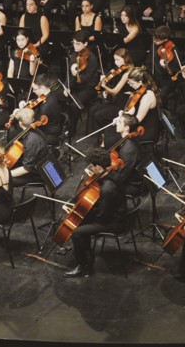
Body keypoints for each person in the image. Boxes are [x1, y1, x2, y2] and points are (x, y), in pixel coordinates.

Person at [64, 115, 139, 277]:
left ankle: (82, 266)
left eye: (92, 166)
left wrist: (86, 211)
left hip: (114, 223)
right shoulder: (111, 175)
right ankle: (86, 252)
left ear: (98, 167)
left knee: (77, 231)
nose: (90, 169)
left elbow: (103, 216)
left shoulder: (107, 187)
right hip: (114, 213)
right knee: (81, 221)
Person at [6, 108, 48, 187]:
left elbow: (27, 168)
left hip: (36, 174)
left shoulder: (31, 141)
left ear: (20, 123)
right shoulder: (36, 130)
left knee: (3, 181)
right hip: (34, 165)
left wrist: (6, 174)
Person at [67, 30, 100, 110]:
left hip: (88, 88)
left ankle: (73, 122)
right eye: (74, 43)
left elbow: (86, 78)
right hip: (75, 85)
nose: (75, 46)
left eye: (78, 44)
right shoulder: (74, 54)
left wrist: (75, 74)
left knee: (74, 106)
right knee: (57, 97)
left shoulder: (92, 58)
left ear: (85, 43)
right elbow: (68, 75)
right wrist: (67, 86)